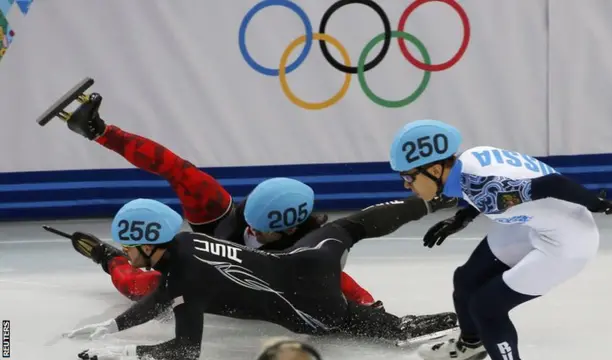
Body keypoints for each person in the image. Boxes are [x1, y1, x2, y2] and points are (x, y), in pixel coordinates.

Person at [58, 92, 382, 307]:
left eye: (260, 231)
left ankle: (109, 257)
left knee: (140, 288)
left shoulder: (309, 251)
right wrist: (102, 133)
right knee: (184, 175)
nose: (252, 231)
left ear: (285, 232)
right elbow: (170, 165)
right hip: (218, 233)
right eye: (249, 222)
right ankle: (97, 129)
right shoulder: (244, 215)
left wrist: (371, 309)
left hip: (231, 276)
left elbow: (340, 281)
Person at [68, 196, 459, 360]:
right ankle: (430, 201)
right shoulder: (186, 243)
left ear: (151, 242)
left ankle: (465, 326)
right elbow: (158, 301)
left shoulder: (183, 279)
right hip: (306, 262)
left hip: (310, 310)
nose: (128, 254)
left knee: (399, 329)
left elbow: (186, 349)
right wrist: (114, 324)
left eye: (128, 247)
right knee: (352, 225)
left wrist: (127, 351)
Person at [387, 119, 612, 360]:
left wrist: (597, 205)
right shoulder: (472, 159)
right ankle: (472, 345)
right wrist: (462, 217)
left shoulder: (486, 190)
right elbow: (495, 188)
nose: (407, 185)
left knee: (487, 307)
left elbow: (552, 184)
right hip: (539, 223)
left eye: (408, 177)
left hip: (570, 242)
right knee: (466, 279)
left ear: (436, 170)